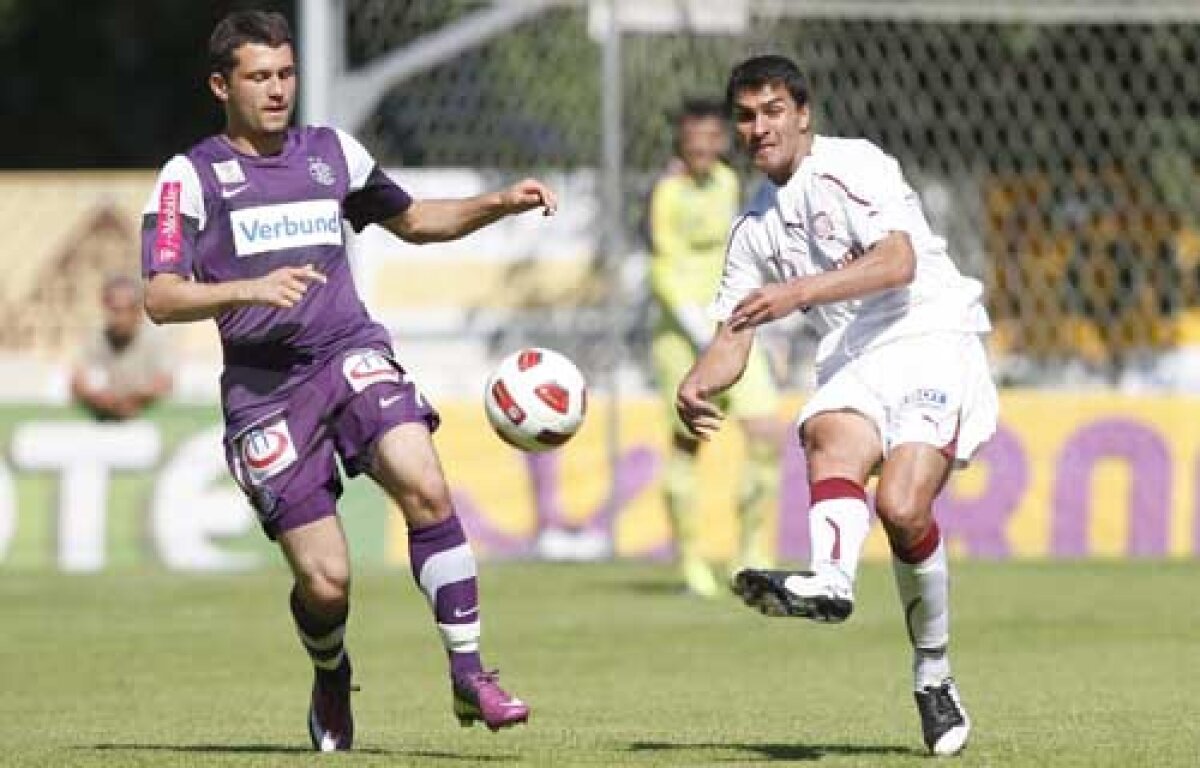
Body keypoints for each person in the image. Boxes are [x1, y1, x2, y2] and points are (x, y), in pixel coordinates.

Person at [140, 10, 554, 752]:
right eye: (258, 77)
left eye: (286, 74)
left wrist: (498, 203)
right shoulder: (190, 177)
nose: (276, 90)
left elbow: (416, 220)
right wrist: (247, 289)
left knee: (424, 482)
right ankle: (331, 673)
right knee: (327, 583)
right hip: (265, 393)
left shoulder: (332, 154)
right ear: (220, 85)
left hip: (348, 353)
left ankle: (470, 674)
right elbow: (160, 296)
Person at [676, 55, 997, 756]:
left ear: (803, 113)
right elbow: (736, 329)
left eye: (772, 111)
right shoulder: (753, 226)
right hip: (856, 361)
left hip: (932, 335)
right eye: (746, 116)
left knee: (904, 508)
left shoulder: (854, 166)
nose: (759, 128)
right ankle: (830, 581)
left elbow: (897, 263)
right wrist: (699, 381)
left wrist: (796, 293)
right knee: (826, 428)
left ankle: (933, 677)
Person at [648, 99, 782, 597]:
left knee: (767, 432)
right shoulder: (666, 192)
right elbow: (662, 268)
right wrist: (695, 324)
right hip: (683, 339)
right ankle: (691, 562)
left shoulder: (727, 183)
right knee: (688, 443)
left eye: (713, 136)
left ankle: (752, 555)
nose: (704, 146)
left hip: (733, 329)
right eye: (694, 137)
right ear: (681, 140)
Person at [70, 274, 173, 421]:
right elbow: (78, 380)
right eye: (114, 310)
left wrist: (134, 399)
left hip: (145, 422)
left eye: (126, 310)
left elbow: (164, 383)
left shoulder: (156, 340)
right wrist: (98, 398)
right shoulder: (94, 338)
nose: (120, 318)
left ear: (138, 310)